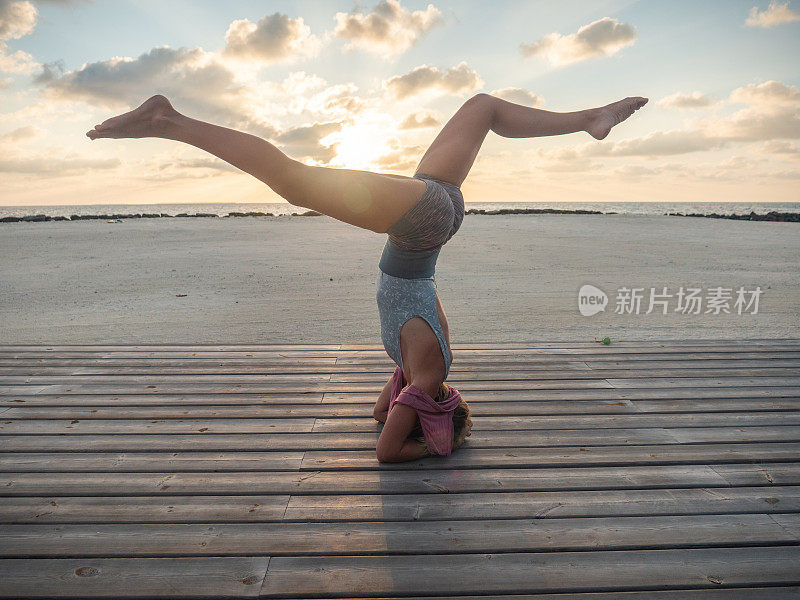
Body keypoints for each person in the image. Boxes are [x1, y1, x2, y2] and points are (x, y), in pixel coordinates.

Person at [86, 91, 648, 463]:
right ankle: (168, 121)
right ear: (432, 415)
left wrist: (421, 414)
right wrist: (432, 448)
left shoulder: (419, 369)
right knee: (295, 179)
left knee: (483, 107)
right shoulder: (424, 372)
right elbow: (384, 449)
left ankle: (587, 121)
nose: (399, 408)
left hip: (437, 209)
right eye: (416, 416)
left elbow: (383, 413)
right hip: (423, 221)